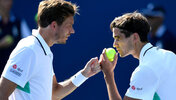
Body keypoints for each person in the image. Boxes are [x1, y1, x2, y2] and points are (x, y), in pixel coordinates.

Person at [0, 0, 101, 100]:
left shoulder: (43, 51)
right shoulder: (29, 50)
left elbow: (53, 93)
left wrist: (84, 74)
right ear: (54, 25)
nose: (72, 31)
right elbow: (1, 94)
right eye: (69, 26)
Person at [99, 12, 176, 100]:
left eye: (118, 38)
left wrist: (108, 74)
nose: (114, 44)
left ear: (135, 37)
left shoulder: (145, 70)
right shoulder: (170, 55)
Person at [0, 0, 31, 75]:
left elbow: (31, 44)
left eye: (10, 0)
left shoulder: (19, 22)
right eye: (5, 0)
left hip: (13, 74)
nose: (9, 3)